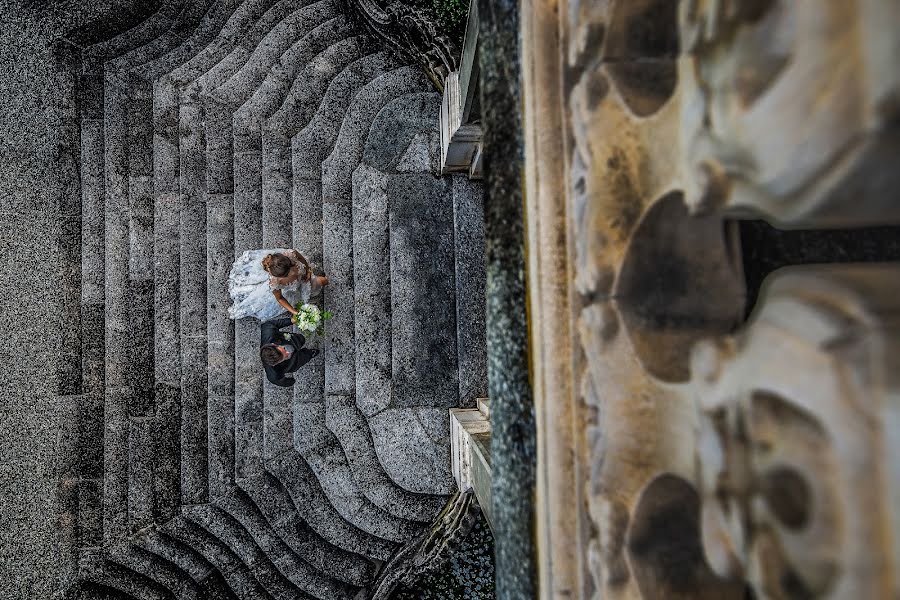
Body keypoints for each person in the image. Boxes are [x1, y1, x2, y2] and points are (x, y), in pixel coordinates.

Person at [228, 248, 329, 321]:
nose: (292, 274)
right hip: (294, 289)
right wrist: (294, 312)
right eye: (286, 275)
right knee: (319, 285)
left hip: (305, 279)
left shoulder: (291, 254)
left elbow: (303, 260)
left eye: (289, 271)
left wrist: (308, 271)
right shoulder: (275, 282)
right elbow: (280, 298)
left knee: (324, 281)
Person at [260, 316, 318, 387]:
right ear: (274, 364)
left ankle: (301, 341)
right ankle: (310, 354)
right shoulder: (273, 375)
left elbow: (272, 323)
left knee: (301, 339)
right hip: (292, 363)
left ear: (273, 344)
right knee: (304, 357)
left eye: (283, 349)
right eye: (285, 356)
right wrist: (291, 381)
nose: (288, 352)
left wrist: (291, 320)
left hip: (290, 341)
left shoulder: (268, 332)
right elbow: (280, 381)